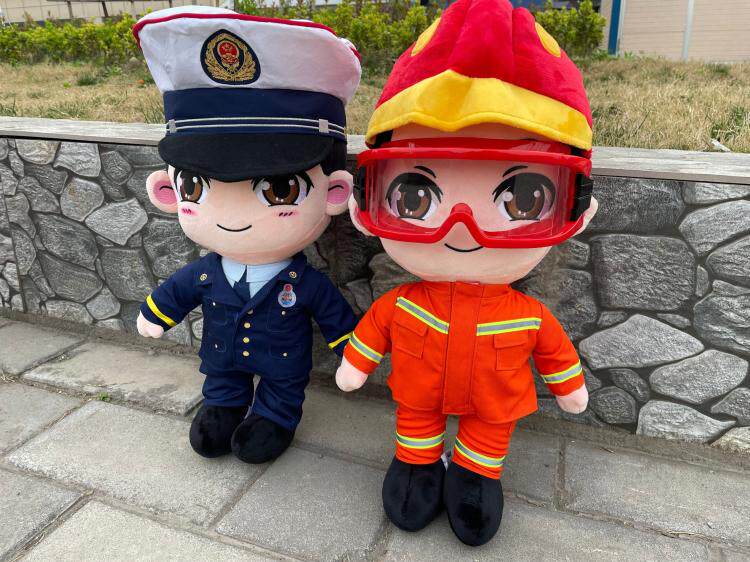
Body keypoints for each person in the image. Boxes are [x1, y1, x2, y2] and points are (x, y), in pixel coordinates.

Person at [335, 0, 598, 546]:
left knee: (487, 440)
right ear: (368, 202)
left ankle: (475, 477)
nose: (462, 229)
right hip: (420, 397)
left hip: (491, 407)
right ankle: (417, 466)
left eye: (524, 198)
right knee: (415, 427)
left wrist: (570, 386)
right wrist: (355, 365)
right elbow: (374, 331)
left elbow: (554, 351)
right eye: (415, 196)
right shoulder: (403, 304)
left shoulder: (527, 315)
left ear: (577, 209)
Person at [133, 6, 360, 463]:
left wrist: (354, 354)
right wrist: (156, 315)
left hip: (283, 368)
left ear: (335, 193)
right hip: (222, 358)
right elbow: (176, 293)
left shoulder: (305, 284)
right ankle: (224, 404)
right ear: (166, 191)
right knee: (221, 385)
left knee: (281, 391)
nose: (232, 216)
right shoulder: (206, 273)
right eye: (196, 186)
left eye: (279, 189)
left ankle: (275, 416)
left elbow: (335, 318)